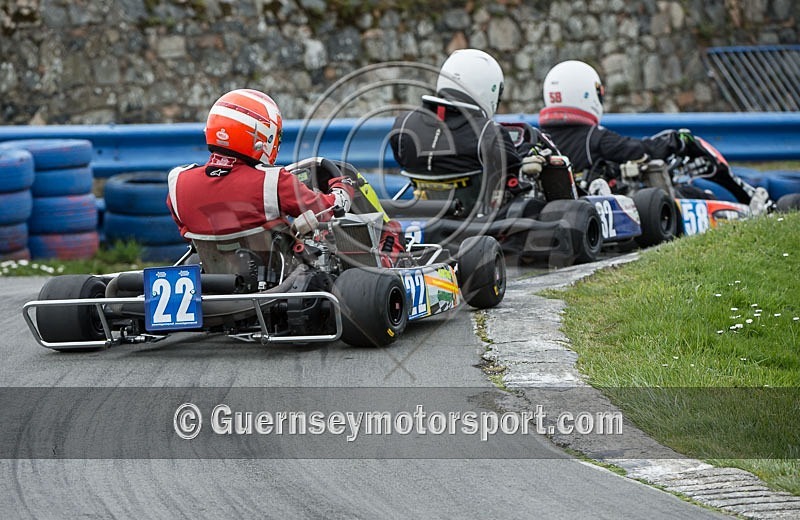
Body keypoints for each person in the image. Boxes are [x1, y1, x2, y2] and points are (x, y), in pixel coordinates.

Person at [167, 88, 404, 266]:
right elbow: (325, 210)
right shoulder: (273, 181)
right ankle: (389, 262)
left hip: (214, 275)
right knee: (387, 230)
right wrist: (342, 190)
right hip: (275, 279)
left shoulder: (178, 181)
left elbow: (187, 231)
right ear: (262, 136)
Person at [537, 60, 771, 212]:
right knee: (689, 193)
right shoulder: (595, 138)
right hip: (606, 206)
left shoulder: (540, 139)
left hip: (562, 206)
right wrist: (674, 141)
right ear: (587, 94)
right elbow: (643, 151)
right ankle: (747, 208)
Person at [389, 48, 531, 214]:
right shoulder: (489, 133)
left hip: (421, 220)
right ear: (487, 88)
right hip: (474, 226)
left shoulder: (403, 125)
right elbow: (515, 178)